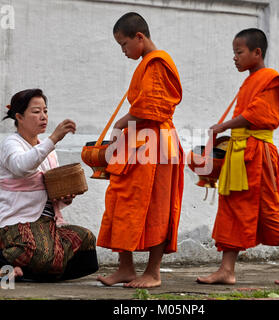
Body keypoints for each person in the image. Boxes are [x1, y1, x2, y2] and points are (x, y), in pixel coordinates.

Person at [197, 28, 279, 286]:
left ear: (257, 52)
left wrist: (222, 126)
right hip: (240, 152)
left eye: (239, 52)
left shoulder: (270, 78)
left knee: (269, 208)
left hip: (259, 153)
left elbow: (259, 114)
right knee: (232, 208)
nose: (234, 58)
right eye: (233, 53)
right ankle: (226, 269)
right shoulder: (248, 80)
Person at [96, 12, 184, 288]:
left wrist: (121, 123)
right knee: (122, 200)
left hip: (157, 143)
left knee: (157, 205)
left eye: (124, 44)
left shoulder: (158, 62)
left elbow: (153, 107)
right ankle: (125, 267)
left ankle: (153, 272)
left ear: (139, 37)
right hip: (139, 142)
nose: (123, 50)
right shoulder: (146, 63)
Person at [0, 88, 99, 282]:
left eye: (45, 111)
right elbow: (21, 166)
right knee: (44, 254)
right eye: (36, 112)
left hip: (48, 224)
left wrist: (65, 198)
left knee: (87, 243)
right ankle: (5, 262)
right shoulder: (11, 143)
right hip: (18, 222)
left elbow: (53, 193)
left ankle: (22, 271)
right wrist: (54, 138)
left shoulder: (48, 150)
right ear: (19, 116)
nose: (43, 116)